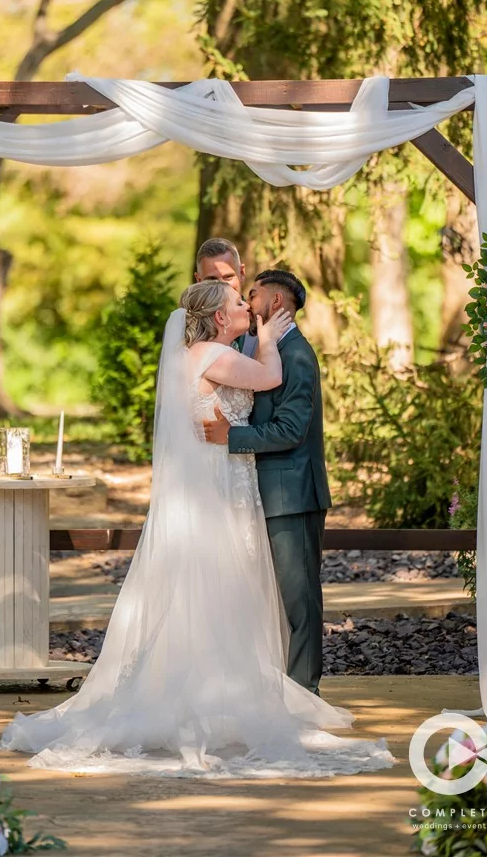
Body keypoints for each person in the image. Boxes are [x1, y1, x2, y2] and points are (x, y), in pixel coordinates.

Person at [0, 281, 393, 778]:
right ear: (217, 318)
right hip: (217, 482)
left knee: (223, 590)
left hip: (223, 477)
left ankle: (223, 691)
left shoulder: (207, 351)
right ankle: (211, 697)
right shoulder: (210, 352)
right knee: (218, 586)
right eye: (235, 304)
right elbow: (269, 378)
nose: (244, 306)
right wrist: (270, 336)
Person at [203, 269, 330, 696]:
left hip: (292, 492)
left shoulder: (295, 355)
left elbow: (291, 429)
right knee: (278, 601)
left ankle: (305, 693)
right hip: (266, 490)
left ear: (276, 303)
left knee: (299, 600)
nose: (247, 300)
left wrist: (231, 437)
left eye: (252, 295)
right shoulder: (266, 348)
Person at [195, 237, 257, 356]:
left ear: (242, 273)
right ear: (199, 280)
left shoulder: (263, 320)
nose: (222, 287)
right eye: (212, 279)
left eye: (228, 277)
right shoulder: (188, 326)